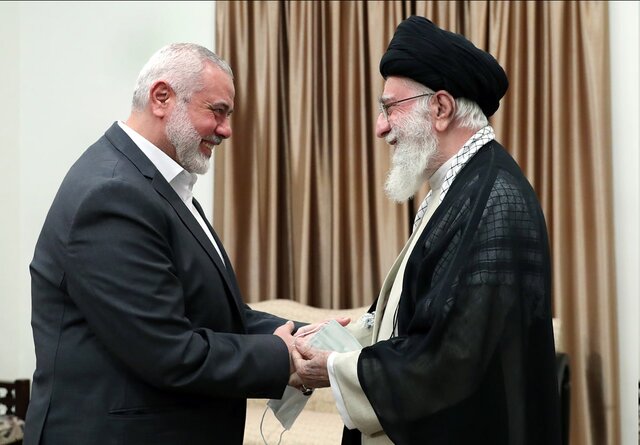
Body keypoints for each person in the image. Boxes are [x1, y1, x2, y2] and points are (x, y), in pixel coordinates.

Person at [291, 16, 562, 445]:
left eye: (389, 107)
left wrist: (333, 367)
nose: (381, 127)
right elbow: (420, 318)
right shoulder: (461, 185)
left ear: (440, 108)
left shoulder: (495, 198)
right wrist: (344, 336)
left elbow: (454, 357)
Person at [26, 43, 305, 445]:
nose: (226, 129)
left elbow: (217, 316)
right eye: (218, 111)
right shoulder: (112, 194)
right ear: (161, 98)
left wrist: (308, 337)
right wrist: (283, 357)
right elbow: (167, 352)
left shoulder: (159, 184)